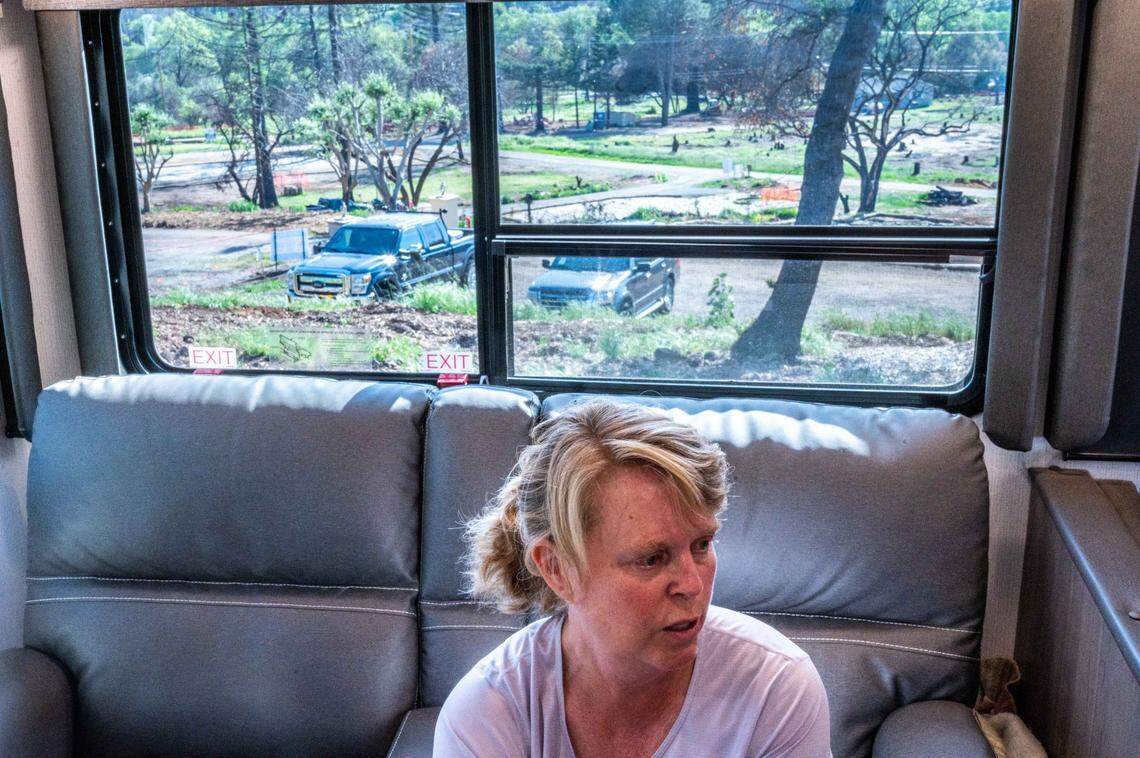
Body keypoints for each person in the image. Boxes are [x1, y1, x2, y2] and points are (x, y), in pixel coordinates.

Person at [434, 400, 831, 757]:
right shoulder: (489, 713)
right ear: (557, 569)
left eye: (702, 544)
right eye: (651, 560)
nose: (692, 584)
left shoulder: (774, 687)